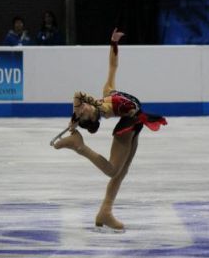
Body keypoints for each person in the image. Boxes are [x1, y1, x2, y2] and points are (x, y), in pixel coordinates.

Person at [53, 28, 167, 231]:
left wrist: (113, 43)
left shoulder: (107, 94)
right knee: (113, 170)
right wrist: (78, 117)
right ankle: (79, 146)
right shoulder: (104, 106)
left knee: (121, 173)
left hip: (135, 123)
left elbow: (113, 65)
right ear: (92, 118)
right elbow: (82, 95)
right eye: (84, 112)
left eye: (83, 108)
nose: (84, 107)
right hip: (128, 125)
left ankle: (105, 211)